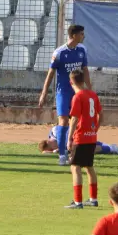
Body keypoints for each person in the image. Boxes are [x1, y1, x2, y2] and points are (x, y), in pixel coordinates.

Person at [38, 24, 92, 166]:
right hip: (63, 92)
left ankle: (75, 154)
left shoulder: (82, 50)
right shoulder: (59, 52)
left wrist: (89, 89)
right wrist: (44, 93)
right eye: (81, 34)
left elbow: (85, 70)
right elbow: (51, 74)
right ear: (73, 35)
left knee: (78, 122)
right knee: (63, 121)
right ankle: (62, 155)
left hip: (77, 93)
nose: (83, 36)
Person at [64, 69, 102, 209]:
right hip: (91, 137)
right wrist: (95, 129)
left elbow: (74, 119)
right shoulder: (93, 95)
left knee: (75, 167)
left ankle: (78, 201)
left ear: (71, 82)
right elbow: (101, 114)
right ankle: (93, 199)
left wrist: (69, 138)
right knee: (89, 167)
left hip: (80, 137)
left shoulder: (78, 97)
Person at [39, 126, 118, 155]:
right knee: (116, 149)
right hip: (87, 140)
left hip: (87, 140)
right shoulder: (53, 134)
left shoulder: (57, 134)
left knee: (116, 150)